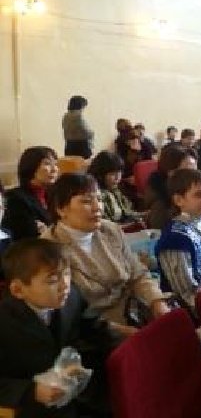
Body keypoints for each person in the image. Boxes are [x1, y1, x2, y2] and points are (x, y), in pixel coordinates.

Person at [0, 238, 121, 417]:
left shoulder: (71, 296)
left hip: (83, 391)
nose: (65, 285)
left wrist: (125, 341)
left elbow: (91, 328)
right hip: (38, 406)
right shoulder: (4, 322)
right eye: (52, 280)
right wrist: (31, 391)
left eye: (67, 274)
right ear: (18, 290)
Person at [42, 173, 170, 335]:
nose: (97, 207)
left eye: (99, 199)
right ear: (61, 209)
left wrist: (156, 301)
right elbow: (69, 316)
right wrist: (124, 332)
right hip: (97, 330)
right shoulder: (49, 249)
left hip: (136, 309)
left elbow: (137, 274)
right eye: (86, 201)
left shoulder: (109, 229)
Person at [155, 169, 201, 312]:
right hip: (192, 309)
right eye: (198, 194)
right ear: (179, 200)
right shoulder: (175, 238)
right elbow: (185, 292)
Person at [2, 147, 58, 240]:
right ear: (31, 167)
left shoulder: (56, 194)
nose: (54, 169)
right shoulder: (15, 198)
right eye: (47, 164)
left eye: (55, 164)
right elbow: (27, 234)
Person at [145, 145, 198, 229]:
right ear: (171, 172)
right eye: (188, 170)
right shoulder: (159, 196)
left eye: (195, 169)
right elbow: (161, 226)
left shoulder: (196, 186)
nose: (195, 175)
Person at [87, 151, 142, 224]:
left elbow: (128, 213)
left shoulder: (116, 190)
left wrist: (144, 215)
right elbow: (105, 224)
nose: (117, 177)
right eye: (112, 174)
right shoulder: (97, 196)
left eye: (119, 172)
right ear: (100, 175)